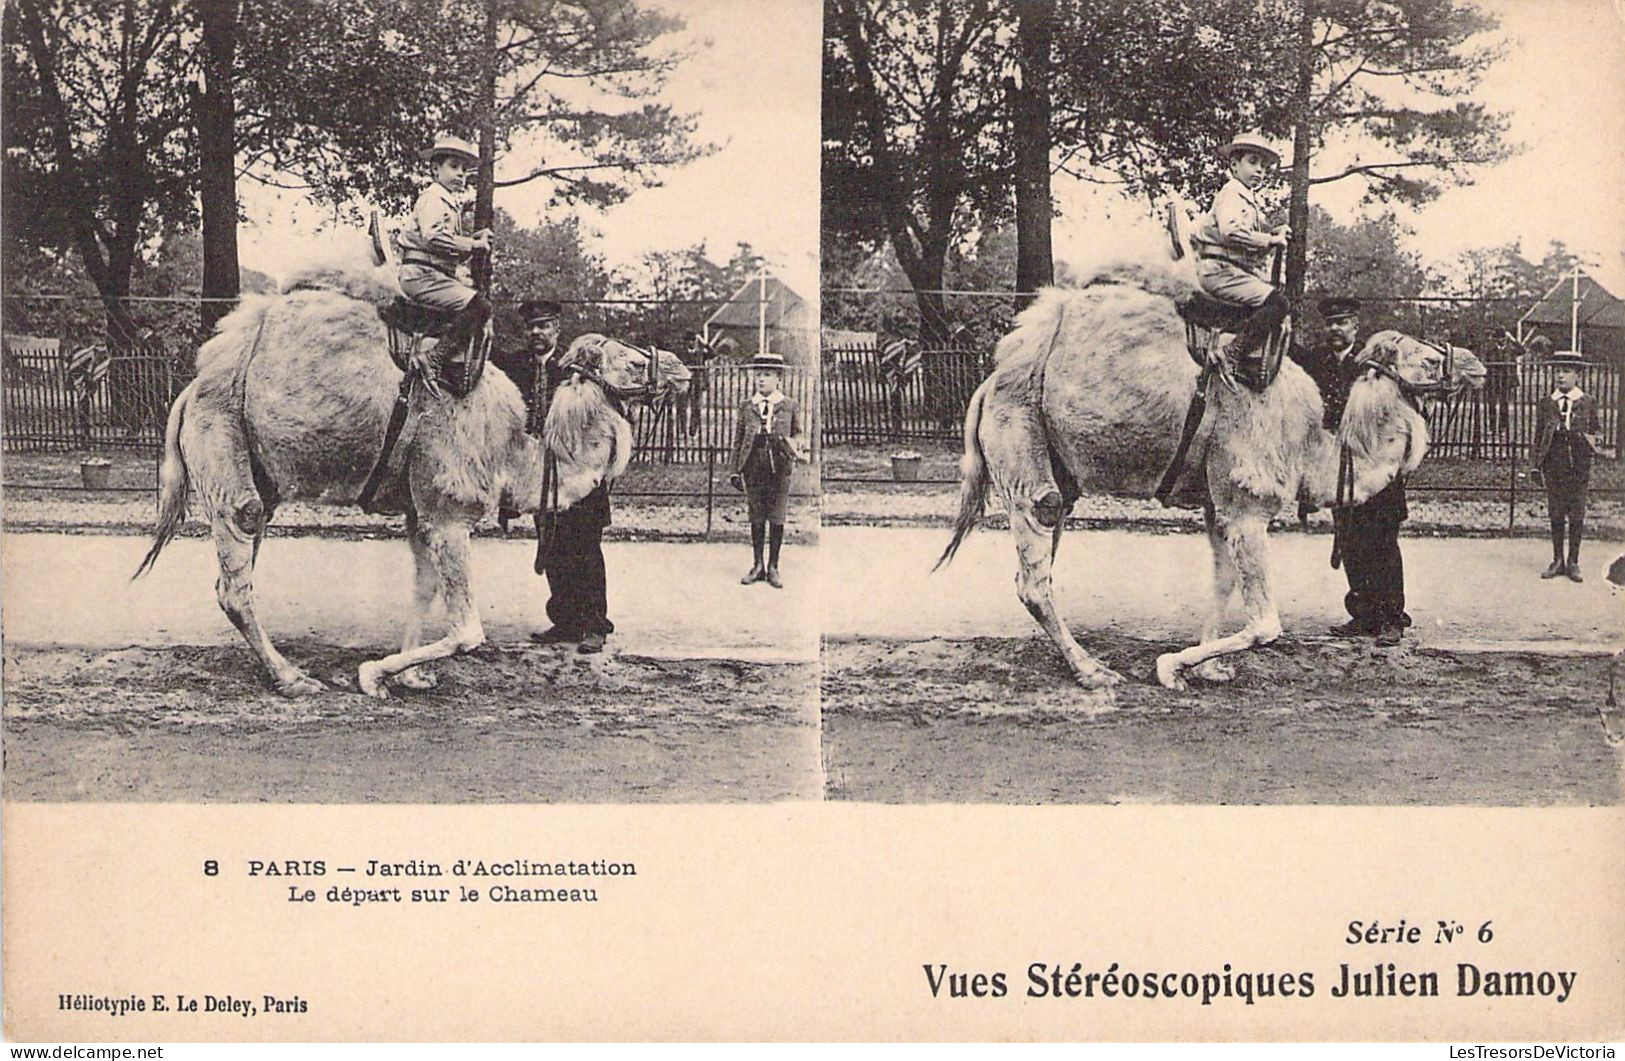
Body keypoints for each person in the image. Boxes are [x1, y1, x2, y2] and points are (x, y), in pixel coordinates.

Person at [512, 299, 615, 654]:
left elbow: (603, 420)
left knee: (584, 548)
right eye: (532, 326)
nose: (537, 332)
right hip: (542, 479)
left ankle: (593, 625)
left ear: (557, 329)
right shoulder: (517, 369)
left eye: (544, 325)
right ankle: (565, 620)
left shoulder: (577, 368)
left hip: (579, 475)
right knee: (552, 547)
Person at [1324, 300, 1409, 646]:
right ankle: (1363, 615)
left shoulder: (1375, 360)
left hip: (1378, 469)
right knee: (1351, 543)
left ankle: (1391, 618)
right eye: (1331, 323)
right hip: (1342, 470)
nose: (1335, 329)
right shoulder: (1321, 362)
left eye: (1342, 322)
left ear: (1356, 326)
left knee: (1382, 544)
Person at [1189, 132, 1292, 372]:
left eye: (1264, 166)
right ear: (1234, 165)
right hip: (1219, 270)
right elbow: (1231, 231)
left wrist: (1274, 235)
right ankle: (1231, 354)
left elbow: (1246, 240)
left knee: (1268, 304)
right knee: (1278, 304)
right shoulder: (1232, 192)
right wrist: (1269, 239)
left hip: (1230, 269)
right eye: (1253, 161)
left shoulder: (1246, 197)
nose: (1259, 170)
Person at [396, 135, 494, 367]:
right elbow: (433, 236)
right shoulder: (433, 197)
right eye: (454, 166)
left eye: (464, 169)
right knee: (479, 306)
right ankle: (434, 360)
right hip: (422, 276)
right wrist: (472, 244)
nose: (461, 173)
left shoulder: (446, 200)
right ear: (435, 169)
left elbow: (446, 247)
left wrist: (473, 240)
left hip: (432, 274)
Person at [729, 351, 807, 588]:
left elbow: (799, 433)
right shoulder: (746, 406)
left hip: (780, 467)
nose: (761, 379)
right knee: (756, 516)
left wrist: (797, 444)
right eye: (758, 375)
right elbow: (738, 440)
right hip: (753, 466)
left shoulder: (789, 405)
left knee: (777, 516)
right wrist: (735, 470)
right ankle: (757, 565)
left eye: (767, 375)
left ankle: (773, 566)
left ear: (778, 379)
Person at [1533, 348, 1600, 583]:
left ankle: (1573, 561)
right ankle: (1557, 559)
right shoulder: (1546, 403)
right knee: (1556, 511)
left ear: (1577, 375)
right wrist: (1536, 465)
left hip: (1579, 463)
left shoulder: (1588, 402)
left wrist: (1588, 440)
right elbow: (1539, 435)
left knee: (1577, 512)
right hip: (1554, 463)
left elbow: (1596, 432)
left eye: (1566, 371)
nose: (1560, 376)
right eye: (1557, 371)